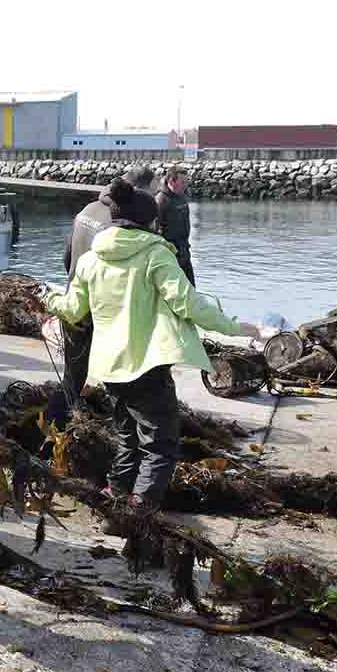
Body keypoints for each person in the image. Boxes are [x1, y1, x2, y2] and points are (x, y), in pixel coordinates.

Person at [42, 180, 241, 509]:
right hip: (147, 365)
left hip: (108, 367)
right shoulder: (156, 255)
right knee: (160, 445)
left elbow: (72, 309)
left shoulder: (91, 260)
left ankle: (116, 494)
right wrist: (234, 327)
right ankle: (138, 511)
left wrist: (47, 297)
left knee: (127, 435)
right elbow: (188, 304)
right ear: (150, 222)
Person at [51, 177, 131, 422]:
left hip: (73, 303)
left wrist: (72, 287)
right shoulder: (116, 224)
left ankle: (56, 425)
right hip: (97, 310)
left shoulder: (86, 211)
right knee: (114, 375)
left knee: (72, 374)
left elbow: (67, 256)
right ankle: (123, 430)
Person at [155, 168, 195, 285]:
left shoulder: (182, 196)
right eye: (183, 182)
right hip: (170, 255)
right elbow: (153, 231)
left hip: (184, 252)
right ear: (171, 182)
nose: (185, 185)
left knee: (191, 290)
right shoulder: (161, 200)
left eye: (186, 182)